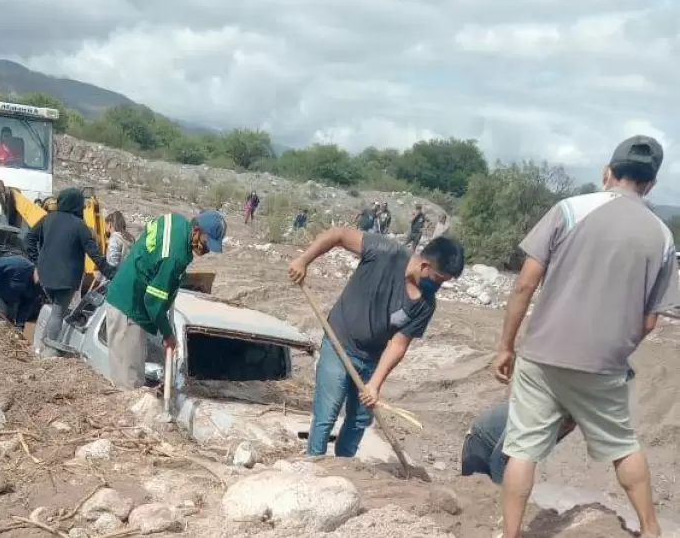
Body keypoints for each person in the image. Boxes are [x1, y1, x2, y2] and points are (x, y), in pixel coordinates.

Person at [492, 135, 679, 538]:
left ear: (607, 172)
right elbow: (650, 322)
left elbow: (524, 285)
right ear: (650, 184)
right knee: (622, 445)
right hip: (603, 364)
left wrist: (505, 346)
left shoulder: (568, 210)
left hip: (541, 354)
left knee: (522, 449)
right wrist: (615, 351)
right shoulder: (662, 237)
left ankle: (510, 534)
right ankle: (651, 530)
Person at [288, 230, 465, 457]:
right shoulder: (385, 252)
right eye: (438, 279)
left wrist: (374, 385)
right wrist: (303, 261)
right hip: (338, 342)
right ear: (424, 266)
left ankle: (345, 465)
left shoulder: (425, 305)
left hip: (371, 358)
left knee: (360, 418)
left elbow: (398, 345)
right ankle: (314, 462)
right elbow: (338, 235)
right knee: (328, 413)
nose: (437, 287)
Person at [104, 210, 227, 390]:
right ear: (196, 231)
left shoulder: (177, 222)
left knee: (126, 381)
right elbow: (153, 302)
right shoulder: (176, 256)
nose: (206, 251)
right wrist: (168, 334)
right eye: (206, 244)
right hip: (129, 308)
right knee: (129, 385)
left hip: (125, 297)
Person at [463, 367, 638, 484]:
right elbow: (502, 457)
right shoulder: (547, 409)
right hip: (480, 445)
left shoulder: (570, 415)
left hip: (499, 448)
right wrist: (504, 495)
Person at [25, 187, 114, 358]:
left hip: (45, 276)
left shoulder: (47, 218)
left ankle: (40, 346)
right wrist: (112, 273)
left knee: (55, 311)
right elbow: (95, 255)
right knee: (58, 313)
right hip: (66, 279)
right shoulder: (80, 226)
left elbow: (29, 238)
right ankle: (47, 352)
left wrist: (37, 262)